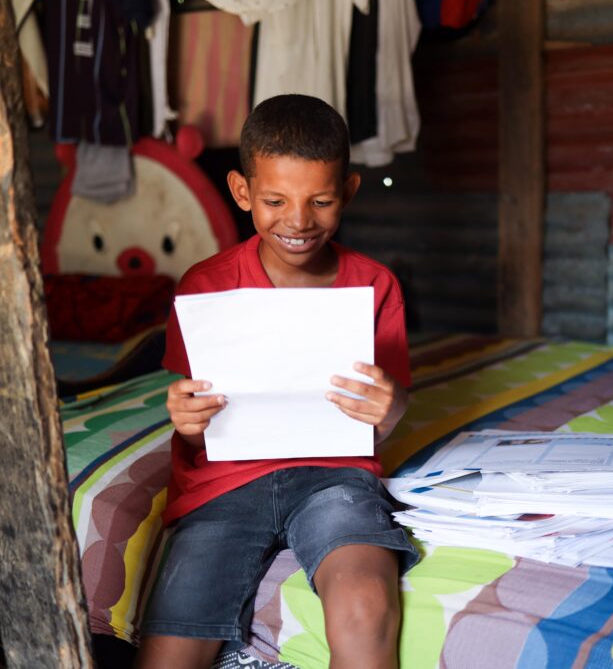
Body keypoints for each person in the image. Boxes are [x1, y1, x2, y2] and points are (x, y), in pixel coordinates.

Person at [135, 94, 420, 669]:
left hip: (334, 479)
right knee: (169, 651)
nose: (298, 220)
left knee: (365, 602)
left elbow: (383, 421)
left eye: (321, 200)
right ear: (241, 192)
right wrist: (188, 424)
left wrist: (389, 410)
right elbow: (201, 430)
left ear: (349, 192)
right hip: (222, 488)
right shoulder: (204, 285)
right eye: (274, 200)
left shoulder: (375, 285)